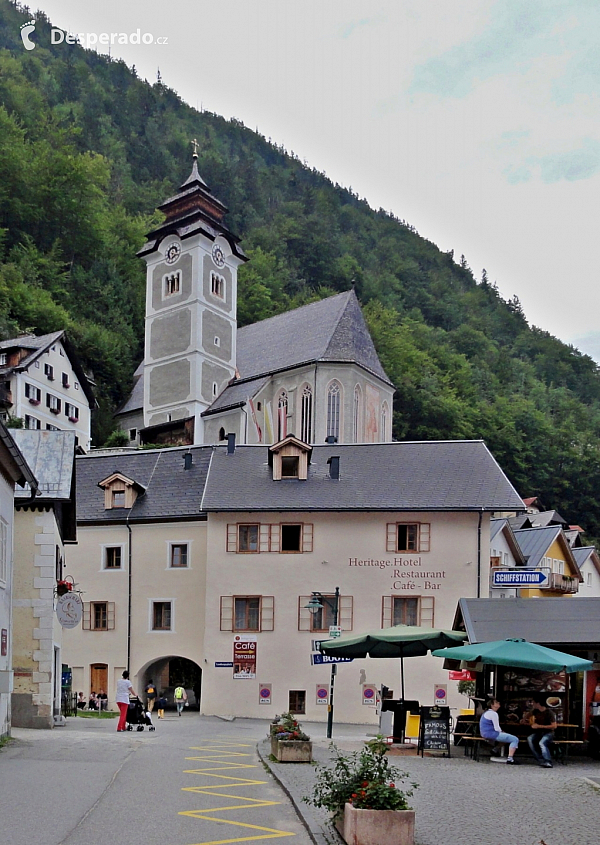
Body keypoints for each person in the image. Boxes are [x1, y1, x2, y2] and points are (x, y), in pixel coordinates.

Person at [479, 699, 519, 764]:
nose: (498, 703)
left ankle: (495, 749)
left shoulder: (487, 713)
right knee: (514, 739)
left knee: (506, 738)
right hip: (492, 733)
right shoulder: (494, 714)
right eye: (496, 702)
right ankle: (510, 759)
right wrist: (502, 732)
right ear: (492, 705)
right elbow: (496, 728)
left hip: (485, 733)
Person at [527, 695, 557, 768]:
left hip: (548, 732)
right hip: (538, 732)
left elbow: (554, 726)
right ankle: (540, 759)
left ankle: (548, 761)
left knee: (542, 743)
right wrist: (525, 718)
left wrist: (539, 726)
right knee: (530, 739)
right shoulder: (535, 711)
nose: (532, 704)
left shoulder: (549, 712)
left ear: (538, 703)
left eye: (533, 702)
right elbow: (527, 717)